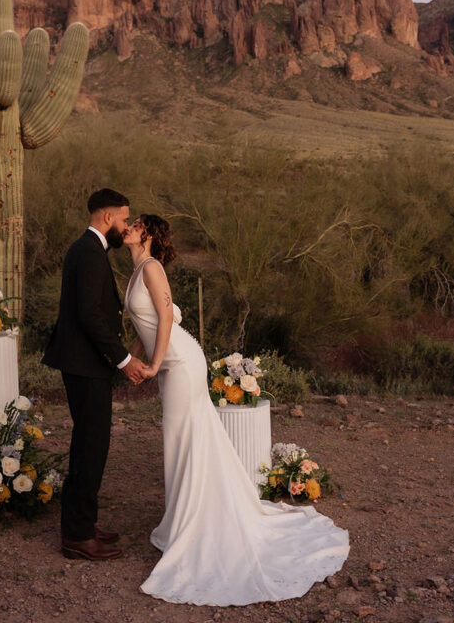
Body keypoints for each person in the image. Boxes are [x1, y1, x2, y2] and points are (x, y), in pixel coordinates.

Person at [123, 213, 350, 605]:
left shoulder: (152, 267)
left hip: (180, 362)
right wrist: (135, 357)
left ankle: (195, 526)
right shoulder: (136, 269)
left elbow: (164, 318)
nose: (128, 226)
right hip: (167, 362)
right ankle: (182, 520)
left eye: (136, 223)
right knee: (180, 439)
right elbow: (145, 322)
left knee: (184, 437)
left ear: (147, 234)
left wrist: (156, 363)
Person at [42, 188, 148, 561]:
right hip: (85, 365)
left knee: (91, 446)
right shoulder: (87, 252)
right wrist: (124, 360)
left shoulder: (88, 250)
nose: (125, 226)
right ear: (108, 218)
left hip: (86, 364)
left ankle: (83, 525)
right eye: (123, 219)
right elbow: (89, 315)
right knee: (90, 447)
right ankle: (76, 536)